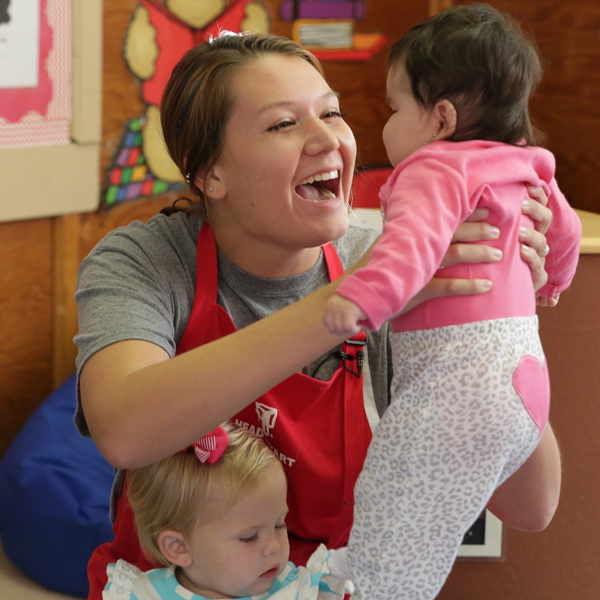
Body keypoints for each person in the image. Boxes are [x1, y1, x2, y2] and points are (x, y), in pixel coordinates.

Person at [75, 31, 559, 600]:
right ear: (210, 174)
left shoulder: (403, 269)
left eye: (333, 113)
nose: (327, 138)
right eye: (284, 124)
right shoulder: (148, 261)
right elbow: (124, 429)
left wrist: (502, 320)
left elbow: (532, 506)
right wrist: (348, 304)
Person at [322, 5, 581, 599]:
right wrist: (550, 283)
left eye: (392, 108)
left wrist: (358, 300)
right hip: (525, 380)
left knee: (395, 495)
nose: (385, 124)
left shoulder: (431, 169)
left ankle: (369, 588)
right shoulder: (527, 166)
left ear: (439, 118)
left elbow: (409, 250)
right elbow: (562, 234)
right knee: (427, 521)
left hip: (457, 381)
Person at [103, 422, 352, 600]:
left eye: (279, 524)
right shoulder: (142, 594)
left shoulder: (299, 590)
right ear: (179, 548)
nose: (275, 546)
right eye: (249, 537)